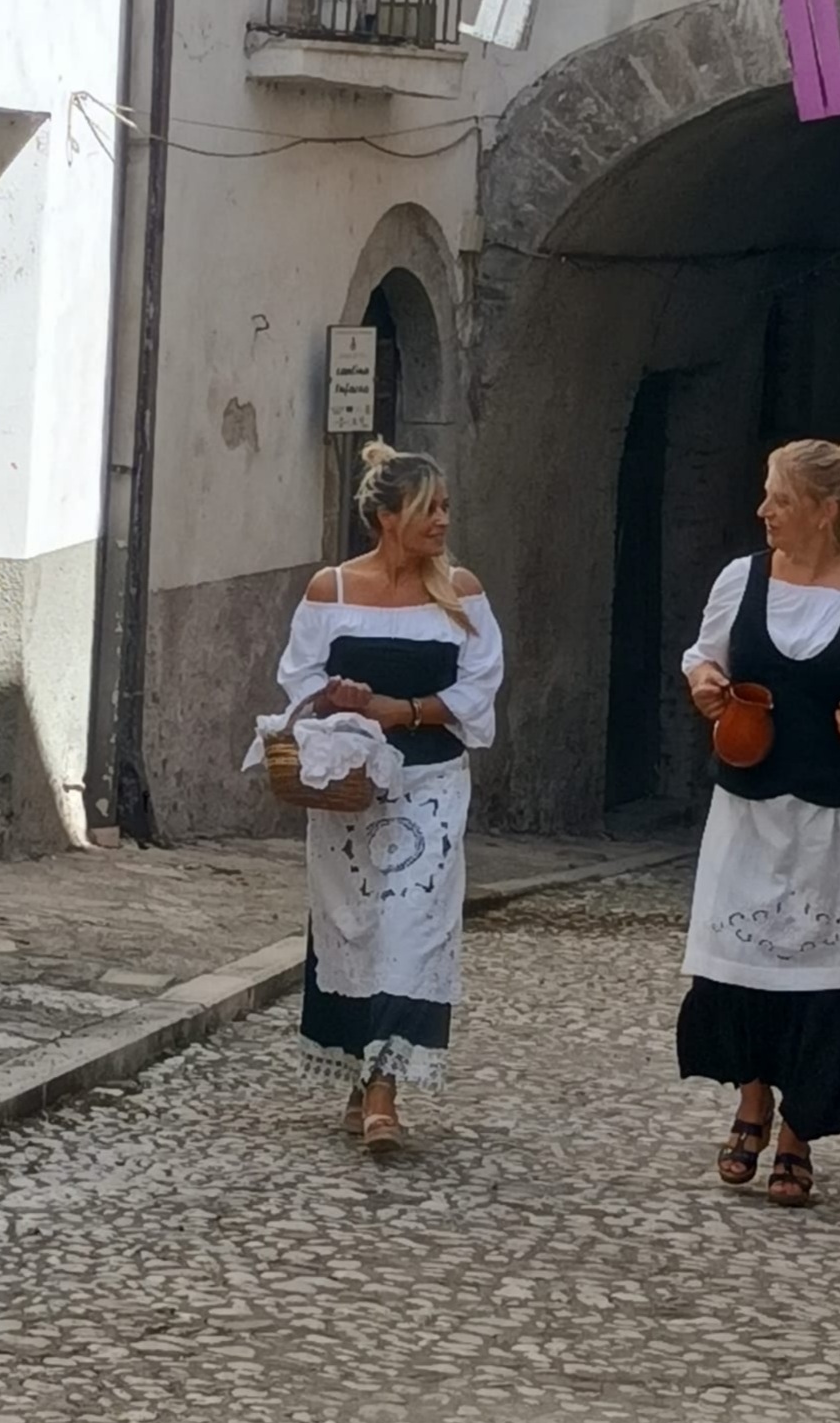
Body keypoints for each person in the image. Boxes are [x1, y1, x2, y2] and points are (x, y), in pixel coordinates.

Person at [677, 439, 840, 1206]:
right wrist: (704, 682)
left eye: (778, 499)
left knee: (828, 975)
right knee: (742, 960)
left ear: (826, 511)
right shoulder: (741, 580)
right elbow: (703, 653)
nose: (762, 510)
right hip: (749, 807)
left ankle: (798, 1133)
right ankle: (751, 1099)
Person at [275, 440, 503, 1154]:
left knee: (414, 933)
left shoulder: (460, 592)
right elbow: (296, 680)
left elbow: (477, 690)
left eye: (444, 506)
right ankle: (356, 1071)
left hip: (429, 787)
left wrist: (398, 708)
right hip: (350, 793)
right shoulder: (331, 590)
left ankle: (383, 1092)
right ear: (387, 516)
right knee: (353, 929)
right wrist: (336, 702)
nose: (442, 520)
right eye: (428, 507)